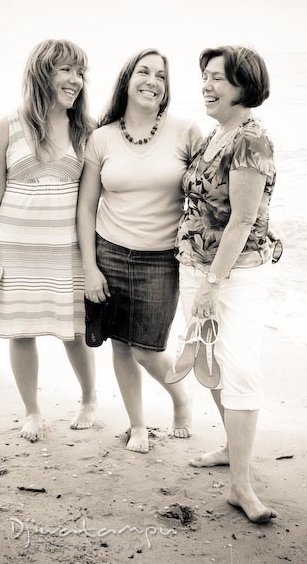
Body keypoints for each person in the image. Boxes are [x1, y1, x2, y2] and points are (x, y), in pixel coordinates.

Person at [0, 39, 97, 442]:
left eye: (80, 72)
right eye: (66, 70)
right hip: (14, 245)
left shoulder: (87, 130)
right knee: (21, 330)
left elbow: (93, 203)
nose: (75, 80)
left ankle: (90, 399)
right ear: (42, 73)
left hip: (66, 249)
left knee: (74, 330)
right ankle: (33, 412)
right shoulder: (8, 125)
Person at [78, 48, 202, 453]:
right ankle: (137, 425)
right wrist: (89, 268)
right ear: (127, 80)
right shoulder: (102, 137)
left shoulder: (186, 131)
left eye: (161, 76)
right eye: (144, 72)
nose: (153, 81)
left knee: (148, 351)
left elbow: (209, 195)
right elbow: (86, 207)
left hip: (161, 258)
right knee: (119, 346)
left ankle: (180, 400)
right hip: (110, 254)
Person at [176, 45, 278, 523]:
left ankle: (241, 486)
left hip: (234, 276)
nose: (207, 85)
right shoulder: (215, 135)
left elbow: (241, 220)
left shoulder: (250, 141)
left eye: (218, 77)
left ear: (245, 86)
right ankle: (231, 448)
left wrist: (212, 283)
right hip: (197, 267)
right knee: (212, 364)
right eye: (205, 76)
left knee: (242, 371)